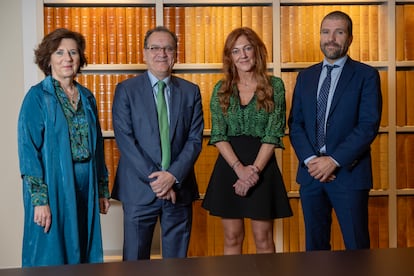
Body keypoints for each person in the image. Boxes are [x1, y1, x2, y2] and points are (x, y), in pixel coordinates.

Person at [288, 11, 382, 251]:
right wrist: (312, 161)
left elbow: (367, 125)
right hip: (311, 176)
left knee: (356, 247)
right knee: (315, 249)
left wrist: (333, 161)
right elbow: (295, 124)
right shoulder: (305, 77)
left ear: (349, 38)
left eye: (339, 32)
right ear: (320, 36)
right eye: (326, 32)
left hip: (349, 175)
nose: (331, 38)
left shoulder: (366, 76)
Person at [17, 28, 111, 267]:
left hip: (86, 185)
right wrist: (39, 200)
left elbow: (98, 146)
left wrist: (101, 190)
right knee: (52, 253)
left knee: (84, 249)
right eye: (59, 52)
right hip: (54, 186)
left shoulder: (88, 97)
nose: (67, 58)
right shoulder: (37, 97)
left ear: (80, 58)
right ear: (48, 59)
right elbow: (29, 152)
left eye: (73, 52)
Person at [111, 26, 204, 260]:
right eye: (155, 48)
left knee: (176, 263)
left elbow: (194, 140)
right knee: (135, 261)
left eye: (168, 48)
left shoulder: (191, 92)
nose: (161, 53)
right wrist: (158, 180)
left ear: (176, 54)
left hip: (179, 188)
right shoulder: (125, 90)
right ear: (144, 53)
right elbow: (126, 140)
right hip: (139, 189)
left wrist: (172, 176)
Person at [202, 27, 292, 255]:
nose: (242, 55)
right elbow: (219, 135)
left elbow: (273, 133)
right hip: (229, 166)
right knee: (232, 237)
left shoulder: (275, 86)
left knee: (263, 238)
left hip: (262, 167)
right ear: (229, 57)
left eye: (247, 48)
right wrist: (239, 169)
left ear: (257, 51)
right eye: (235, 51)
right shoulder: (221, 90)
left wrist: (252, 173)